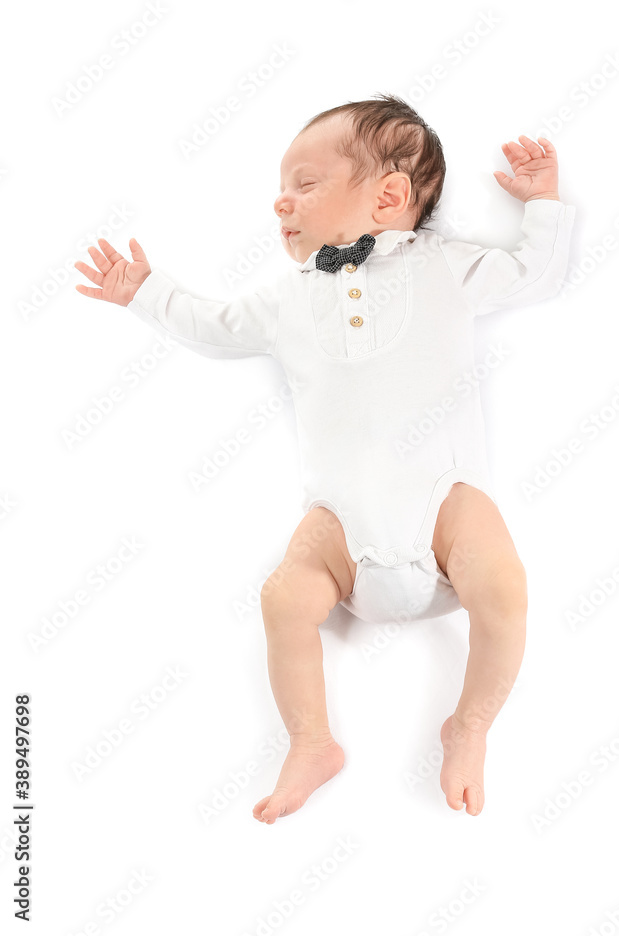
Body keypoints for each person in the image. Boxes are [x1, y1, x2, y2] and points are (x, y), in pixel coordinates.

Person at [75, 93, 576, 824]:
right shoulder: (288, 298)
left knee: (503, 588)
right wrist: (144, 292)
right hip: (340, 523)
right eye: (281, 188)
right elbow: (214, 327)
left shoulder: (447, 267)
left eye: (304, 183)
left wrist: (543, 206)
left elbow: (539, 274)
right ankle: (312, 741)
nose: (282, 200)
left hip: (443, 505)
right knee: (283, 598)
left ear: (390, 195)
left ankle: (469, 726)